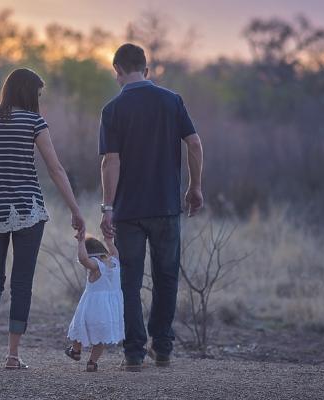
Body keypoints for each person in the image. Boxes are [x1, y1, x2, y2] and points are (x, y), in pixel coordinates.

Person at [0, 68, 85, 370]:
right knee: (22, 283)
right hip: (28, 210)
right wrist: (75, 210)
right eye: (38, 94)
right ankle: (13, 356)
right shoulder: (34, 122)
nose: (39, 100)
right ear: (29, 93)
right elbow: (55, 170)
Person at [98, 43, 204, 371]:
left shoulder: (112, 109)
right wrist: (194, 186)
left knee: (129, 281)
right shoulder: (171, 101)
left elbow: (110, 162)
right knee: (166, 277)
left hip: (129, 211)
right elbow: (195, 143)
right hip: (166, 206)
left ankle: (133, 353)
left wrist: (107, 207)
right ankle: (163, 348)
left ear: (117, 71)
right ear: (146, 69)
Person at [65, 235, 124, 372]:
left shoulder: (96, 266)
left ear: (91, 254)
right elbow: (115, 252)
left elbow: (83, 259)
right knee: (101, 337)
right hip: (110, 310)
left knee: (80, 327)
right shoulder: (114, 261)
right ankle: (92, 362)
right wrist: (109, 241)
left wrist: (80, 242)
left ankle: (76, 350)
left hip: (92, 307)